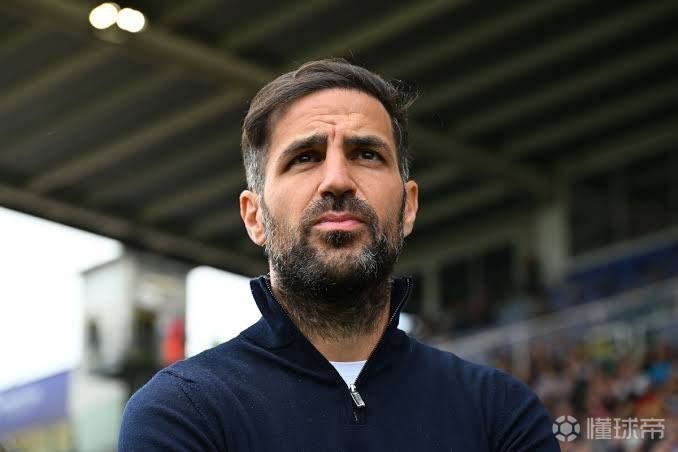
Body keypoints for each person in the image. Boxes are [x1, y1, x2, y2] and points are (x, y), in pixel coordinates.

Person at [118, 59, 560, 451]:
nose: (337, 180)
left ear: (408, 207)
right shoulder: (184, 410)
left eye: (366, 154)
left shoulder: (500, 412)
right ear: (254, 217)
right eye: (304, 157)